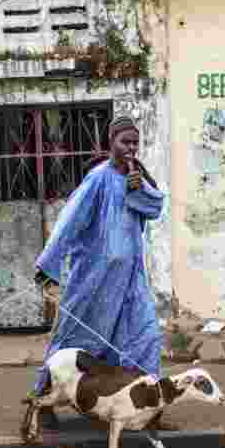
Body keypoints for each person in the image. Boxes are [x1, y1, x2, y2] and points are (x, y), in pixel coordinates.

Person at [26, 114, 165, 408]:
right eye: (125, 142)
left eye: (135, 143)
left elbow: (155, 207)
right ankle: (41, 399)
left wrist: (137, 188)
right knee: (75, 341)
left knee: (145, 337)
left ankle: (146, 405)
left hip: (130, 281)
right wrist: (48, 264)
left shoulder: (136, 176)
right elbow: (69, 221)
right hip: (94, 280)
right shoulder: (98, 179)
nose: (131, 148)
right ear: (110, 142)